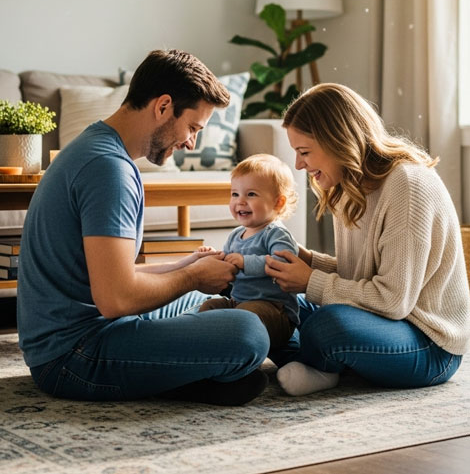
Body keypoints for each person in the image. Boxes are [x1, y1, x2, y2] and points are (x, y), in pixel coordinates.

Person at [17, 50, 270, 406]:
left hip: (73, 337)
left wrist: (187, 265)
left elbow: (114, 275)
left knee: (224, 302)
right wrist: (194, 277)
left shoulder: (99, 147)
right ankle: (182, 375)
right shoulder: (108, 170)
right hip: (72, 356)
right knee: (248, 333)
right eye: (193, 128)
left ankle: (182, 371)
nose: (190, 143)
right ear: (164, 106)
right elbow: (116, 298)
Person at [264, 83, 470, 396]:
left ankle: (317, 364)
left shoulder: (407, 185)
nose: (299, 165)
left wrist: (311, 281)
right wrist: (310, 262)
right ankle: (319, 364)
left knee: (328, 325)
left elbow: (392, 300)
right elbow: (361, 276)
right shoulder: (348, 185)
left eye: (304, 152)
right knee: (275, 298)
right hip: (382, 322)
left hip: (428, 345)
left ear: (337, 141)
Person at [198, 154, 299, 348]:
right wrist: (214, 258)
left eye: (251, 194)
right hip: (239, 303)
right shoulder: (236, 235)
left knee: (245, 316)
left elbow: (284, 265)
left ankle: (246, 360)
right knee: (209, 307)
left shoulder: (276, 234)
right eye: (235, 194)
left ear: (278, 202)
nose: (240, 201)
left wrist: (245, 262)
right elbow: (228, 267)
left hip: (274, 310)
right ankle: (212, 353)